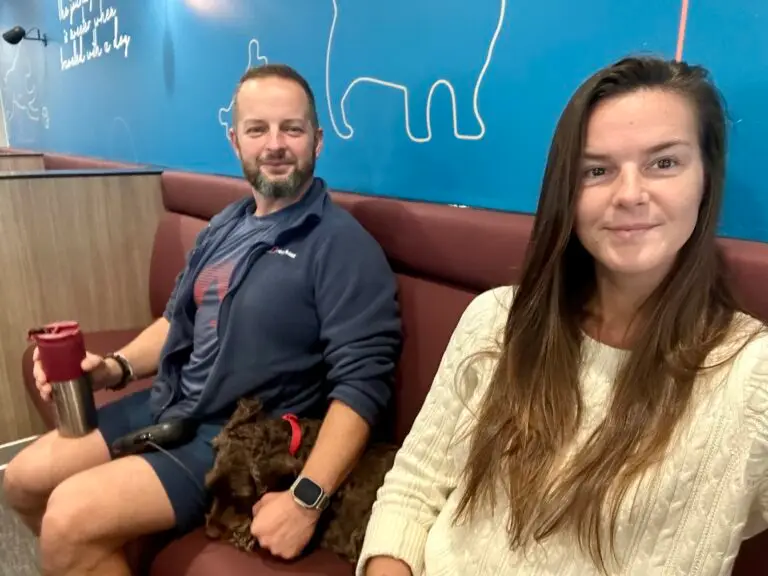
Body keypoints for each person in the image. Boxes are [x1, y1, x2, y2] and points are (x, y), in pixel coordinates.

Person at [357, 55, 768, 576]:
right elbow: (414, 488)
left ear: (708, 178)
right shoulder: (497, 320)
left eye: (663, 163)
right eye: (596, 170)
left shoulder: (752, 376)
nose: (629, 194)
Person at [3, 63, 402, 576]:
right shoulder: (225, 226)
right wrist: (115, 368)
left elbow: (362, 388)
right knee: (23, 480)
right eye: (258, 129)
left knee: (69, 519)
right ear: (235, 141)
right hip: (171, 403)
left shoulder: (342, 245)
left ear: (317, 141)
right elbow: (177, 322)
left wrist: (306, 500)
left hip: (236, 440)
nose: (275, 144)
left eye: (292, 129)